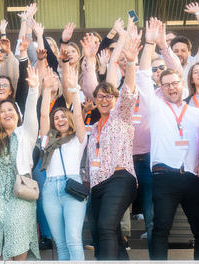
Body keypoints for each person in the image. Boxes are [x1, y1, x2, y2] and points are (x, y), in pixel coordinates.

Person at [137, 25, 199, 259]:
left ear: (183, 85)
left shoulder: (197, 114)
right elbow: (142, 75)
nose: (171, 87)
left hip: (192, 178)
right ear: (160, 88)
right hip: (164, 177)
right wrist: (150, 44)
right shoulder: (156, 107)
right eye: (166, 84)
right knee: (160, 230)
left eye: (175, 83)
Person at [0, 54, 40, 261]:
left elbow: (31, 112)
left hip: (20, 192)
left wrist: (34, 89)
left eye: (10, 109)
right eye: (2, 111)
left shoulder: (26, 135)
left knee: (18, 235)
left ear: (17, 115)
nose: (7, 113)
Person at [82, 23, 139, 260]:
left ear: (115, 99)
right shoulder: (92, 128)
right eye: (100, 96)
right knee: (104, 230)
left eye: (108, 96)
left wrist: (131, 63)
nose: (104, 99)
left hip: (119, 178)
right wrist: (88, 59)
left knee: (105, 226)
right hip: (97, 184)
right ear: (95, 100)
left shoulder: (121, 115)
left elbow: (128, 92)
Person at [38, 63, 88, 260]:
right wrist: (46, 90)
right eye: (56, 117)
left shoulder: (78, 138)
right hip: (50, 188)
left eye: (63, 116)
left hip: (72, 186)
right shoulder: (47, 139)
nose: (59, 119)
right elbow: (43, 115)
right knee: (60, 243)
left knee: (73, 238)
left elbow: (77, 114)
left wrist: (74, 90)